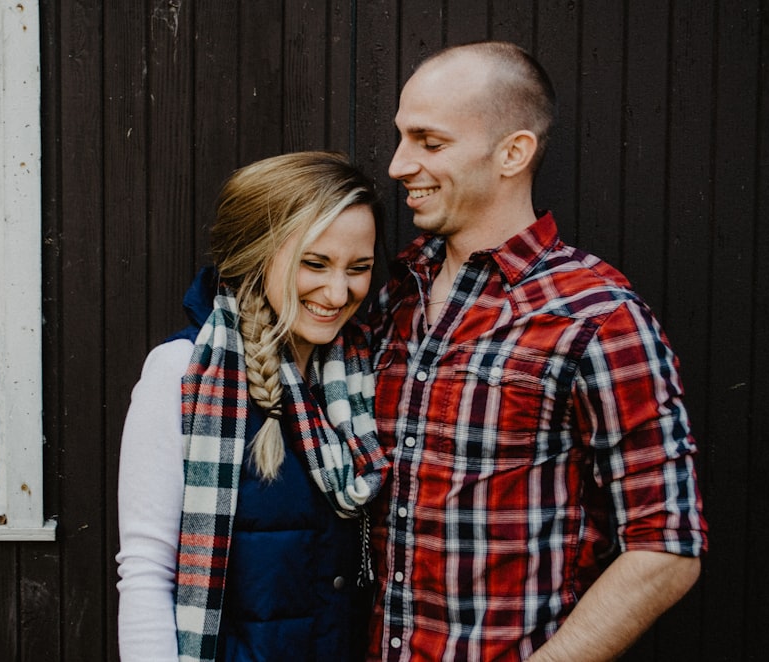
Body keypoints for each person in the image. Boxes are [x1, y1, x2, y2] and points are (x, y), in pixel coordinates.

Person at [367, 41, 708, 661]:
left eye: (429, 142)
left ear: (513, 152)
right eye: (401, 137)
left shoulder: (596, 314)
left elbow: (666, 545)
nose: (397, 165)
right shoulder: (385, 294)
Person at [116, 151, 390, 661]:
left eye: (360, 268)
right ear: (254, 253)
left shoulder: (362, 378)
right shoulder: (181, 372)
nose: (338, 291)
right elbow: (148, 572)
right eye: (315, 263)